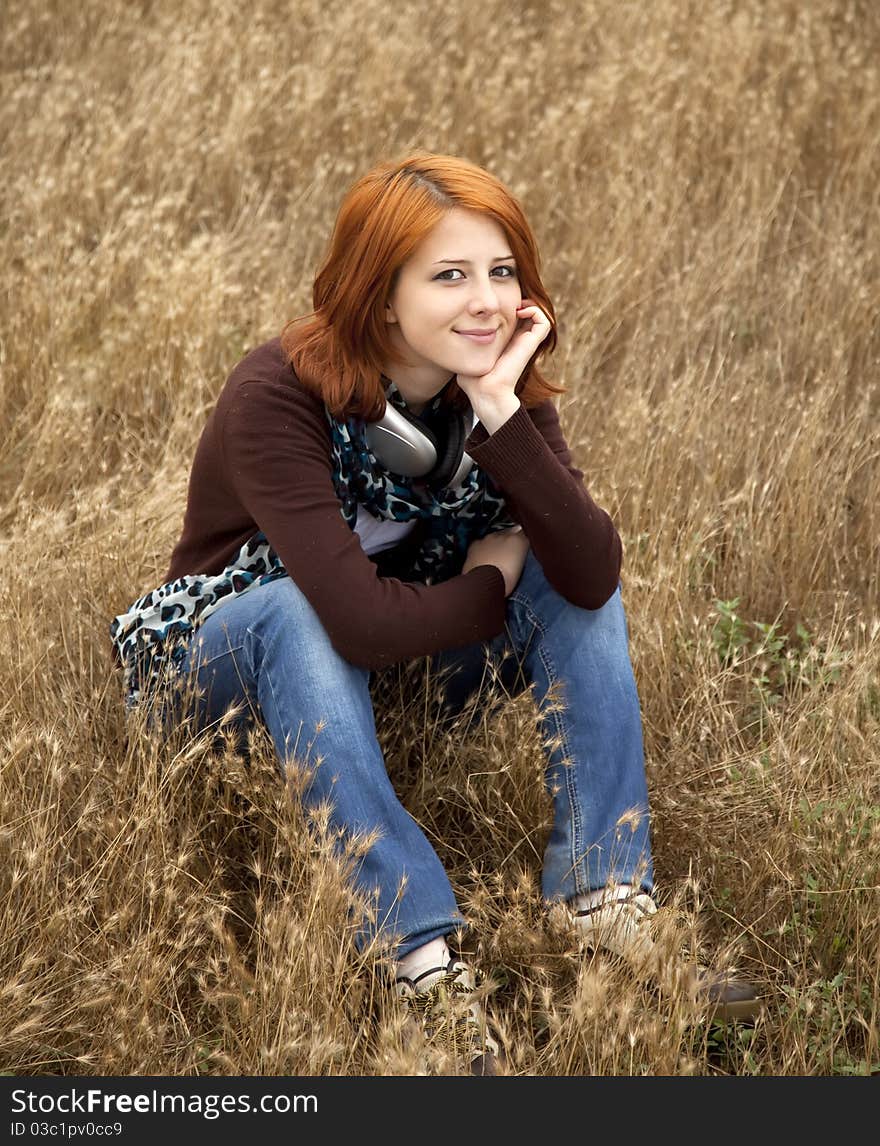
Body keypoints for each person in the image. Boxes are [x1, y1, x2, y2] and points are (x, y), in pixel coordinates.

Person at [110, 150, 759, 1076]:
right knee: (300, 610)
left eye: (502, 272)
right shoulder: (277, 396)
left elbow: (591, 572)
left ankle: (607, 904)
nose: (486, 300)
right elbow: (356, 624)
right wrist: (487, 590)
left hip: (376, 669)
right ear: (381, 297)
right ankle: (417, 966)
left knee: (563, 577)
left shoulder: (492, 381)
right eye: (449, 276)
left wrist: (502, 411)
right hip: (217, 677)